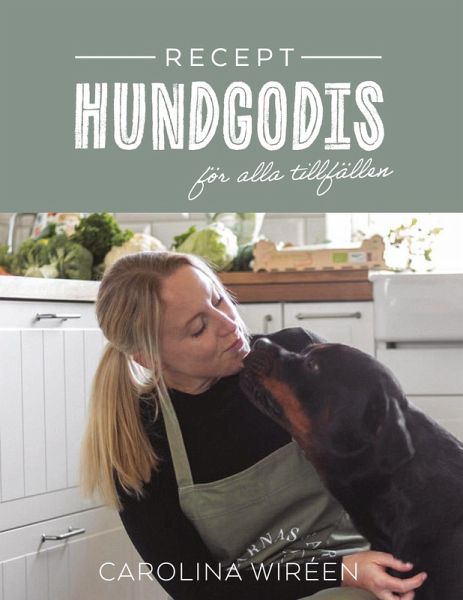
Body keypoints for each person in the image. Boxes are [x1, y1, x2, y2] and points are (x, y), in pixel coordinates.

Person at [80, 251, 427, 600]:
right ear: (149, 357)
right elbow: (197, 589)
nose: (228, 324)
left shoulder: (297, 357)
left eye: (218, 299)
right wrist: (340, 570)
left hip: (373, 558)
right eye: (199, 328)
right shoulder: (139, 440)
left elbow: (401, 469)